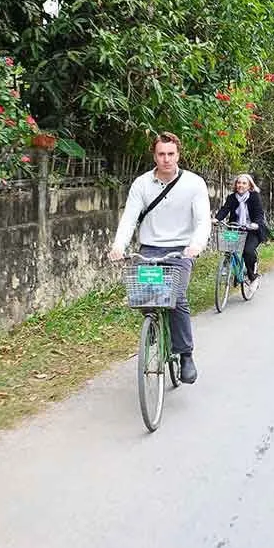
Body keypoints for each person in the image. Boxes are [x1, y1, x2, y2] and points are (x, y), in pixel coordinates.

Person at [108, 132, 211, 384]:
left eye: (171, 154)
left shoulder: (194, 183)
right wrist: (118, 246)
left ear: (178, 155)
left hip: (180, 250)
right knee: (143, 294)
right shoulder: (141, 184)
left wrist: (195, 246)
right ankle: (152, 325)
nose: (166, 159)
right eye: (161, 154)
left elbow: (202, 220)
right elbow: (129, 218)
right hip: (149, 248)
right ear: (154, 156)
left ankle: (185, 354)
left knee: (176, 297)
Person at [213, 173, 267, 293]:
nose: (240, 185)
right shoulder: (232, 197)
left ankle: (253, 277)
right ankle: (227, 266)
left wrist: (256, 224)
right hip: (236, 228)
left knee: (247, 252)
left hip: (252, 230)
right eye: (239, 183)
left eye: (244, 183)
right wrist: (217, 219)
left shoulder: (254, 197)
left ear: (249, 186)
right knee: (227, 246)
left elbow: (259, 213)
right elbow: (225, 209)